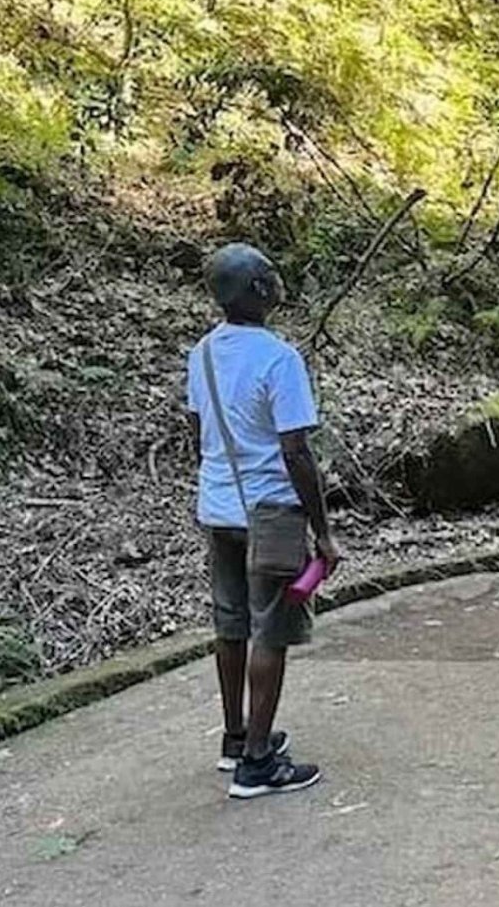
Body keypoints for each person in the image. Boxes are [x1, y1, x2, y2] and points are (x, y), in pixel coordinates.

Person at [186, 242, 338, 799]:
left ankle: (234, 737)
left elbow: (197, 432)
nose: (278, 281)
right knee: (270, 629)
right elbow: (296, 449)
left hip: (218, 507)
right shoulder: (280, 358)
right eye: (270, 274)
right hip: (270, 511)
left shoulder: (201, 354)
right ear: (255, 290)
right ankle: (258, 763)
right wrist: (322, 530)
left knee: (230, 625)